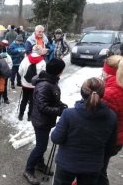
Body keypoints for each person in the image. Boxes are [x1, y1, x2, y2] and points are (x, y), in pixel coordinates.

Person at [51, 77, 117, 185]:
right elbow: (111, 147)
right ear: (102, 94)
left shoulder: (69, 114)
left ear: (82, 92)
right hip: (93, 167)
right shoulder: (111, 116)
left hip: (66, 163)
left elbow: (55, 138)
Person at [23, 58, 66, 185]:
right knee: (40, 147)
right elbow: (43, 107)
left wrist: (62, 106)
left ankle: (40, 164)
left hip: (45, 120)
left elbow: (52, 101)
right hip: (41, 121)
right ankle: (28, 170)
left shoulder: (50, 82)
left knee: (41, 144)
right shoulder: (45, 85)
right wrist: (59, 111)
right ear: (59, 72)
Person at [98, 55, 123, 184]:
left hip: (108, 140)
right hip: (118, 138)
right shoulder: (118, 86)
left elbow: (99, 119)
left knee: (98, 169)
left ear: (107, 72)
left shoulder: (110, 93)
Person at [18, 45, 46, 121]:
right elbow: (43, 74)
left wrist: (23, 78)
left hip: (25, 84)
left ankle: (20, 115)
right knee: (32, 100)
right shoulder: (42, 61)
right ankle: (29, 116)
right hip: (35, 85)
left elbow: (20, 70)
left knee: (24, 99)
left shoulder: (26, 59)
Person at [0, 40, 13, 104]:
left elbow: (10, 64)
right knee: (1, 85)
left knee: (4, 86)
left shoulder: (7, 56)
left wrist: (8, 71)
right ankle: (2, 98)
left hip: (4, 73)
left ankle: (5, 98)